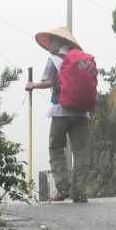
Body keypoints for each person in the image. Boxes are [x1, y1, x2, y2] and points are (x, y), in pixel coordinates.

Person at [25, 26, 90, 203]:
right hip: (83, 112)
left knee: (56, 147)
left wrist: (33, 86)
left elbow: (49, 82)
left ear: (58, 41)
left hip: (62, 110)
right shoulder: (83, 59)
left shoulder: (55, 59)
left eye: (51, 41)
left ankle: (62, 189)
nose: (49, 45)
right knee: (81, 152)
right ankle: (80, 193)